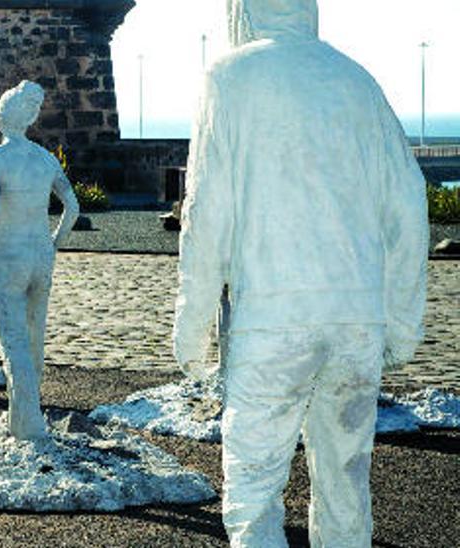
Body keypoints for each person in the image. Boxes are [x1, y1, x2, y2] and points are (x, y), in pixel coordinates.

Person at [173, 0, 429, 546]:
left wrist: (191, 326)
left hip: (273, 323)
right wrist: (401, 321)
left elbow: (206, 214)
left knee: (254, 494)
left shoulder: (229, 76)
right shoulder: (357, 81)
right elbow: (409, 205)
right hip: (356, 322)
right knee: (345, 491)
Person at [0, 80, 78, 441]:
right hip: (40, 254)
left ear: (4, 116)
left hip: (7, 253)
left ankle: (28, 422)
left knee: (14, 339)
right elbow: (72, 207)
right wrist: (54, 244)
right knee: (36, 337)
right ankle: (23, 417)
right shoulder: (46, 159)